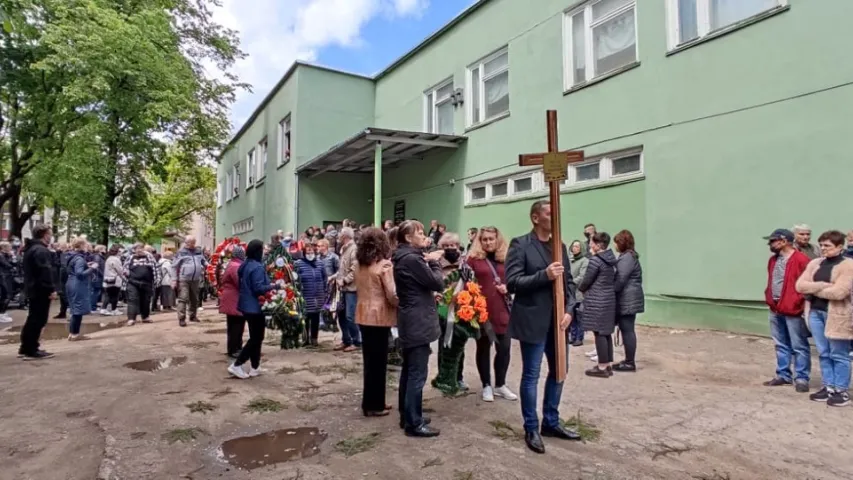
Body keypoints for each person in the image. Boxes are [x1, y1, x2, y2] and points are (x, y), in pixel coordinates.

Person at [505, 200, 580, 454]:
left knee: (560, 371)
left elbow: (569, 283)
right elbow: (513, 282)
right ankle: (531, 427)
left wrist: (570, 310)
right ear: (536, 218)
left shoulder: (559, 246)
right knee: (531, 375)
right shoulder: (520, 244)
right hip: (532, 319)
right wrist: (543, 275)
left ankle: (551, 421)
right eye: (549, 213)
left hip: (558, 322)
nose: (555, 215)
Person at [393, 220, 444, 437]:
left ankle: (408, 415)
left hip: (410, 319)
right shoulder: (413, 259)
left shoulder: (405, 257)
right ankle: (414, 423)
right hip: (417, 321)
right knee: (417, 373)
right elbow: (437, 283)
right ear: (407, 238)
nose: (424, 236)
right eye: (420, 233)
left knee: (409, 370)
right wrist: (433, 262)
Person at [796, 230, 853, 407]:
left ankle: (841, 390)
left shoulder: (848, 265)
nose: (823, 249)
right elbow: (800, 285)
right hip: (816, 312)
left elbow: (839, 292)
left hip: (837, 315)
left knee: (839, 353)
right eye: (821, 245)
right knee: (824, 352)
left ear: (839, 247)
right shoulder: (815, 263)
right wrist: (822, 285)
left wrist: (813, 288)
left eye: (827, 246)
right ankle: (828, 386)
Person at [467, 226, 517, 402]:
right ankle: (486, 384)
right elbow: (465, 283)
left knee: (504, 349)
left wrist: (509, 288)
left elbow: (516, 279)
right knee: (483, 349)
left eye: (491, 238)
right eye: (484, 239)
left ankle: (500, 384)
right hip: (482, 311)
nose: (488, 242)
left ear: (498, 239)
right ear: (479, 241)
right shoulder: (473, 259)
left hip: (503, 310)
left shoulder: (507, 258)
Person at [355, 227, 398, 417]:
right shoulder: (384, 265)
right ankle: (375, 405)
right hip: (379, 316)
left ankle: (372, 402)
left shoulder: (359, 264)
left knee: (370, 362)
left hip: (363, 313)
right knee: (379, 362)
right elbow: (392, 294)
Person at [762, 229, 811, 391]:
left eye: (773, 241)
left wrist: (800, 304)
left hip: (793, 308)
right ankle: (783, 374)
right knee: (780, 343)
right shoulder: (772, 260)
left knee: (799, 345)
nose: (770, 244)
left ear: (784, 241)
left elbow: (806, 284)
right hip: (775, 308)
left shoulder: (801, 260)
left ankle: (802, 378)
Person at [229, 239, 278, 379]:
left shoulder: (245, 264)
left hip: (246, 305)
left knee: (255, 337)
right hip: (255, 307)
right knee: (257, 338)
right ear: (258, 251)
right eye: (262, 249)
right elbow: (258, 288)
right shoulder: (257, 267)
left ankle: (255, 367)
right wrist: (274, 286)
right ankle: (237, 365)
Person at [432, 231, 473, 394]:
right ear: (441, 247)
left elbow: (471, 282)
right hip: (442, 308)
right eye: (446, 246)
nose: (450, 248)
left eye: (453, 245)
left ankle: (458, 377)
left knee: (459, 344)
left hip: (461, 309)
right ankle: (444, 376)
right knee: (444, 343)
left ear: (458, 246)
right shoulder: (435, 264)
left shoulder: (465, 264)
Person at [578, 232, 618, 378]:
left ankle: (602, 367)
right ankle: (607, 364)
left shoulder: (595, 261)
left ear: (598, 245)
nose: (589, 245)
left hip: (597, 299)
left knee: (599, 333)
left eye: (591, 243)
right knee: (606, 332)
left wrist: (581, 289)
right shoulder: (610, 260)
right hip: (608, 299)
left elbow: (587, 280)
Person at [19, 224, 57, 359]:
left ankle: (25, 347)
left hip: (33, 288)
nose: (51, 237)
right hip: (40, 289)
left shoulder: (30, 248)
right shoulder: (40, 250)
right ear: (45, 235)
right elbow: (45, 271)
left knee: (32, 318)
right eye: (50, 234)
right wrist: (51, 289)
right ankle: (31, 349)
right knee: (38, 319)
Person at [611, 230, 645, 372]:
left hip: (628, 299)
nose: (615, 246)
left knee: (627, 330)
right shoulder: (629, 257)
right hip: (630, 297)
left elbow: (620, 279)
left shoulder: (627, 258)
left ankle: (630, 362)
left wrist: (611, 290)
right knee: (627, 330)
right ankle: (628, 360)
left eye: (617, 243)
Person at [294, 242, 327, 346]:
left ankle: (314, 339)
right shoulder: (298, 263)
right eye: (308, 251)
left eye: (312, 250)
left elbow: (324, 278)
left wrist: (324, 290)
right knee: (305, 318)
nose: (310, 253)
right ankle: (305, 339)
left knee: (315, 317)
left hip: (318, 296)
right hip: (305, 295)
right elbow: (295, 279)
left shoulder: (320, 263)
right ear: (304, 252)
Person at [65, 237, 97, 341]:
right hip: (78, 284)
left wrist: (86, 265)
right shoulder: (79, 258)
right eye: (86, 244)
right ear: (81, 245)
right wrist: (92, 268)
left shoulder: (72, 256)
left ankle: (72, 333)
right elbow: (80, 274)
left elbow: (74, 269)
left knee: (74, 309)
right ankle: (75, 334)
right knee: (78, 310)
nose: (87, 246)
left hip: (71, 282)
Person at [172, 235, 207, 327]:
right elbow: (174, 266)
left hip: (195, 278)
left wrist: (208, 265)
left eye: (193, 243)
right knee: (183, 298)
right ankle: (182, 318)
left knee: (194, 298)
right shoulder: (180, 252)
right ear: (186, 242)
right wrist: (174, 280)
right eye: (190, 243)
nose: (192, 245)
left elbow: (203, 261)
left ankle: (192, 315)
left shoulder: (198, 251)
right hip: (184, 278)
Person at [336, 227, 361, 351]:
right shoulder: (344, 249)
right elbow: (343, 269)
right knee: (341, 315)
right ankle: (346, 340)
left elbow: (355, 269)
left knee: (350, 316)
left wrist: (344, 280)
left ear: (345, 236)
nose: (338, 236)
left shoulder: (354, 250)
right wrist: (335, 277)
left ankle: (356, 341)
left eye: (340, 234)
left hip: (351, 289)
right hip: (343, 288)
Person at [124, 243, 161, 326]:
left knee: (146, 300)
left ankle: (145, 317)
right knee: (133, 299)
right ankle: (131, 319)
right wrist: (125, 274)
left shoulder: (149, 257)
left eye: (141, 248)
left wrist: (157, 279)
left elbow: (156, 268)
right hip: (133, 282)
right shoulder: (130, 257)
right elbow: (125, 268)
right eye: (137, 248)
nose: (139, 250)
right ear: (134, 250)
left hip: (147, 283)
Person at [219, 245, 245, 358]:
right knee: (236, 326)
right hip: (234, 300)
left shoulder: (233, 264)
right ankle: (234, 349)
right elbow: (240, 283)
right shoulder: (236, 266)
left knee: (234, 325)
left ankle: (236, 347)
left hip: (232, 299)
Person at [567, 240, 588, 347]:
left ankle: (579, 338)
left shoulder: (585, 261)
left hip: (578, 292)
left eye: (577, 246)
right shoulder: (570, 260)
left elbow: (582, 276)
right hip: (570, 292)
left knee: (579, 317)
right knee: (572, 316)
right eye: (573, 246)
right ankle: (573, 336)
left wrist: (570, 282)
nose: (575, 248)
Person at [102, 245, 125, 316]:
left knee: (108, 295)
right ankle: (113, 309)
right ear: (117, 252)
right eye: (120, 251)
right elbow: (120, 270)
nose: (121, 253)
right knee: (115, 295)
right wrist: (123, 277)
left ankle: (104, 308)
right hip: (115, 279)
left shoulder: (108, 258)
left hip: (107, 278)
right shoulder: (116, 259)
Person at [0, 242, 14, 323]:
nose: (10, 249)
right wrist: (11, 257)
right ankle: (1, 314)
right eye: (9, 247)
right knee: (6, 295)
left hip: (6, 276)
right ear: (4, 248)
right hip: (3, 277)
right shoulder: (1, 256)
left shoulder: (4, 255)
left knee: (7, 295)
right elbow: (8, 265)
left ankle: (3, 313)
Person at [89, 245, 106, 312]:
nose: (105, 250)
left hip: (97, 276)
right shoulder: (97, 257)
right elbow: (96, 267)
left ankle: (93, 306)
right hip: (97, 277)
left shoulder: (98, 256)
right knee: (96, 292)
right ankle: (92, 307)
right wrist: (102, 274)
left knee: (96, 292)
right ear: (100, 250)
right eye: (104, 249)